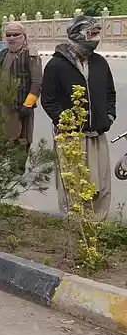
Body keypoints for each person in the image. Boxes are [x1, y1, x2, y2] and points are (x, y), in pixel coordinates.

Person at [42, 15, 117, 221]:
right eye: (92, 33)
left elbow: (110, 93)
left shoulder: (100, 63)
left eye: (97, 33)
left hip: (97, 134)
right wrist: (66, 122)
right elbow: (48, 101)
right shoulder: (56, 66)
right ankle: (76, 225)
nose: (96, 38)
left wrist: (109, 116)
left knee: (99, 184)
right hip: (71, 138)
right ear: (78, 34)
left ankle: (96, 225)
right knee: (74, 184)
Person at [0, 21, 43, 167]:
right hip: (4, 106)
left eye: (16, 35)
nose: (12, 38)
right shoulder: (4, 54)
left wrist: (28, 104)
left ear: (24, 36)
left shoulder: (31, 55)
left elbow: (37, 83)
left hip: (22, 106)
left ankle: (17, 169)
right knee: (2, 137)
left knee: (22, 139)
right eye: (8, 35)